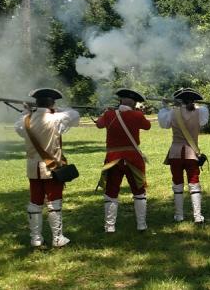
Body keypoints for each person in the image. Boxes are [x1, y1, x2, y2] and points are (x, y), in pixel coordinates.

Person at [14, 88, 80, 247]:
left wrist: (26, 110)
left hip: (32, 168)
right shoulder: (57, 117)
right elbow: (75, 115)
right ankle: (57, 238)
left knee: (35, 203)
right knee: (54, 203)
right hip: (52, 167)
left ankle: (35, 239)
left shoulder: (25, 120)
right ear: (52, 103)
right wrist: (57, 109)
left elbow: (19, 127)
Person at [95, 89, 152, 232]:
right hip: (133, 158)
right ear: (134, 103)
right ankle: (141, 225)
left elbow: (99, 124)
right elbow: (147, 126)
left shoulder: (109, 114)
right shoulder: (137, 115)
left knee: (111, 192)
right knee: (139, 192)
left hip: (113, 159)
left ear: (120, 100)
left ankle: (109, 227)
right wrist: (140, 113)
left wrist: (105, 113)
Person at [158, 88, 209, 223]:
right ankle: (197, 216)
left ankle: (179, 215)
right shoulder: (201, 112)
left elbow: (164, 124)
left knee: (177, 183)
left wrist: (164, 107)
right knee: (194, 183)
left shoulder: (172, 113)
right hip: (192, 153)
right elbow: (203, 119)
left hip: (175, 153)